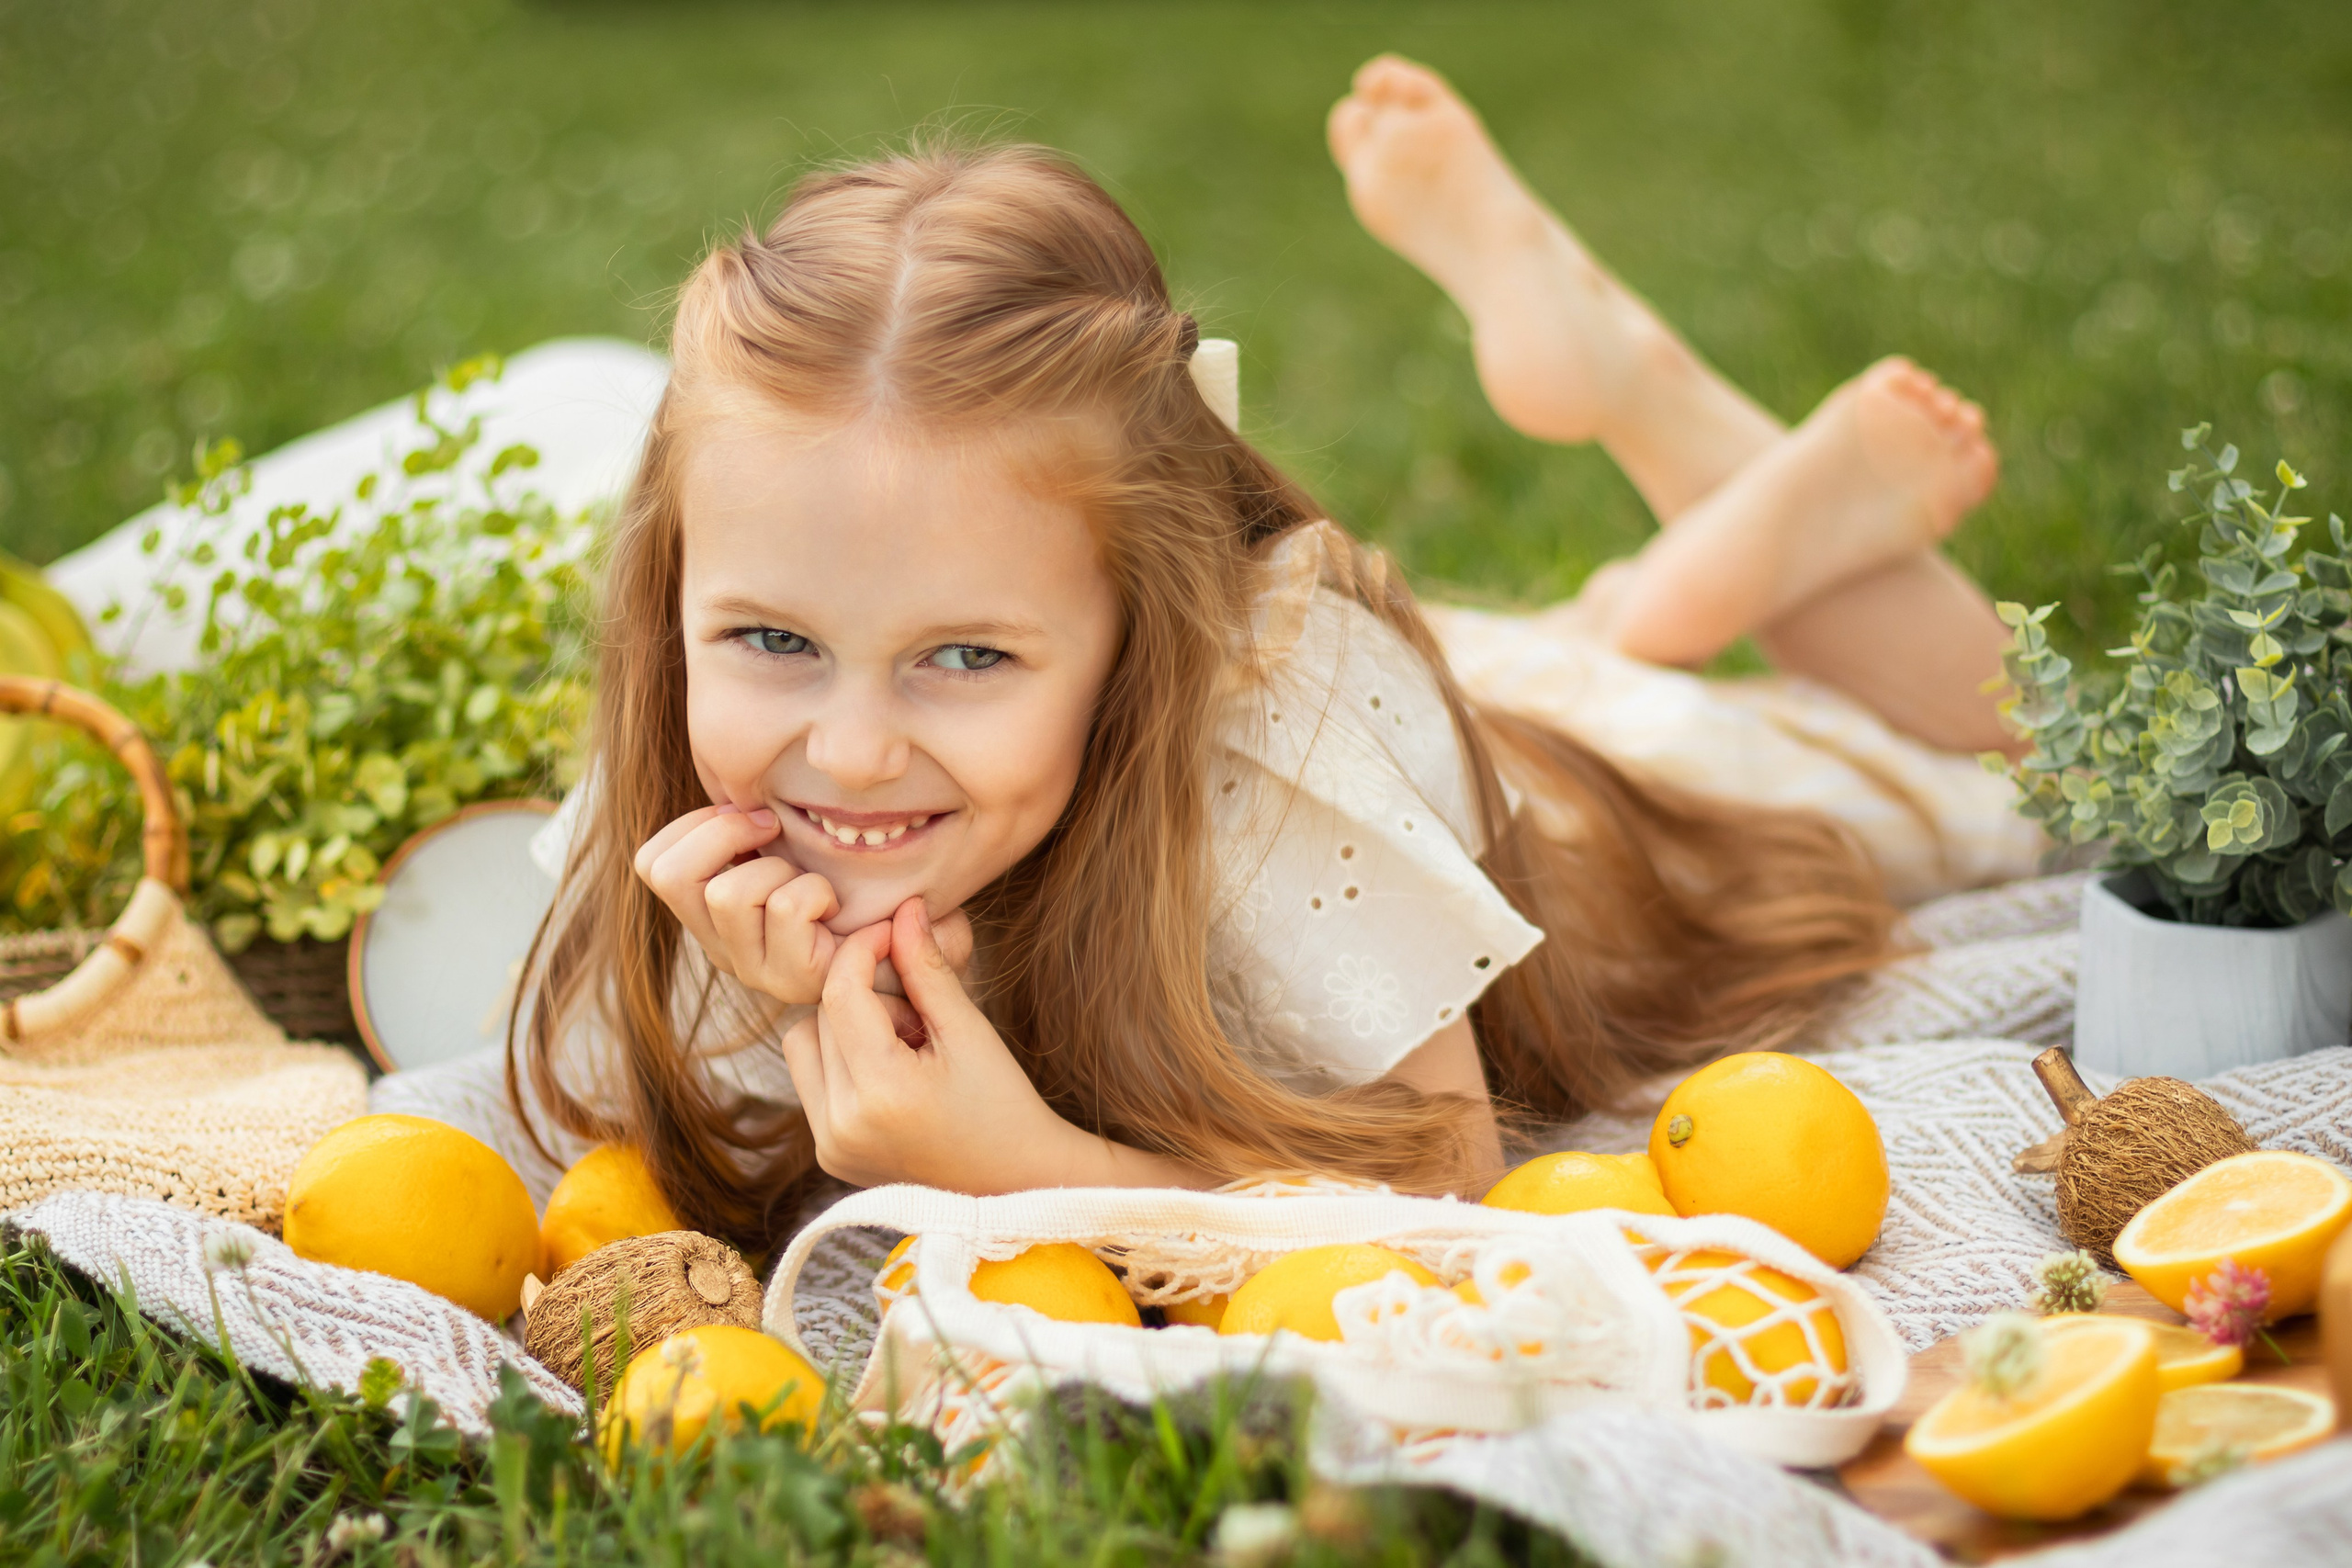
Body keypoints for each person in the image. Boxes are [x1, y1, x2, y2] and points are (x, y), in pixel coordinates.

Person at [510, 61, 2046, 1252]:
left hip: (1574, 807)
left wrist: (1032, 1173)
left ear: (1155, 635)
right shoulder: (693, 777)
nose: (844, 750)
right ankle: (1691, 568)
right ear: (677, 600)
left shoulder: (1270, 773)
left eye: (965, 659)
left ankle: (1651, 394)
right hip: (1456, 721)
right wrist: (805, 1001)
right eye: (774, 640)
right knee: (1589, 647)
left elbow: (1446, 1177)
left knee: (2028, 753)